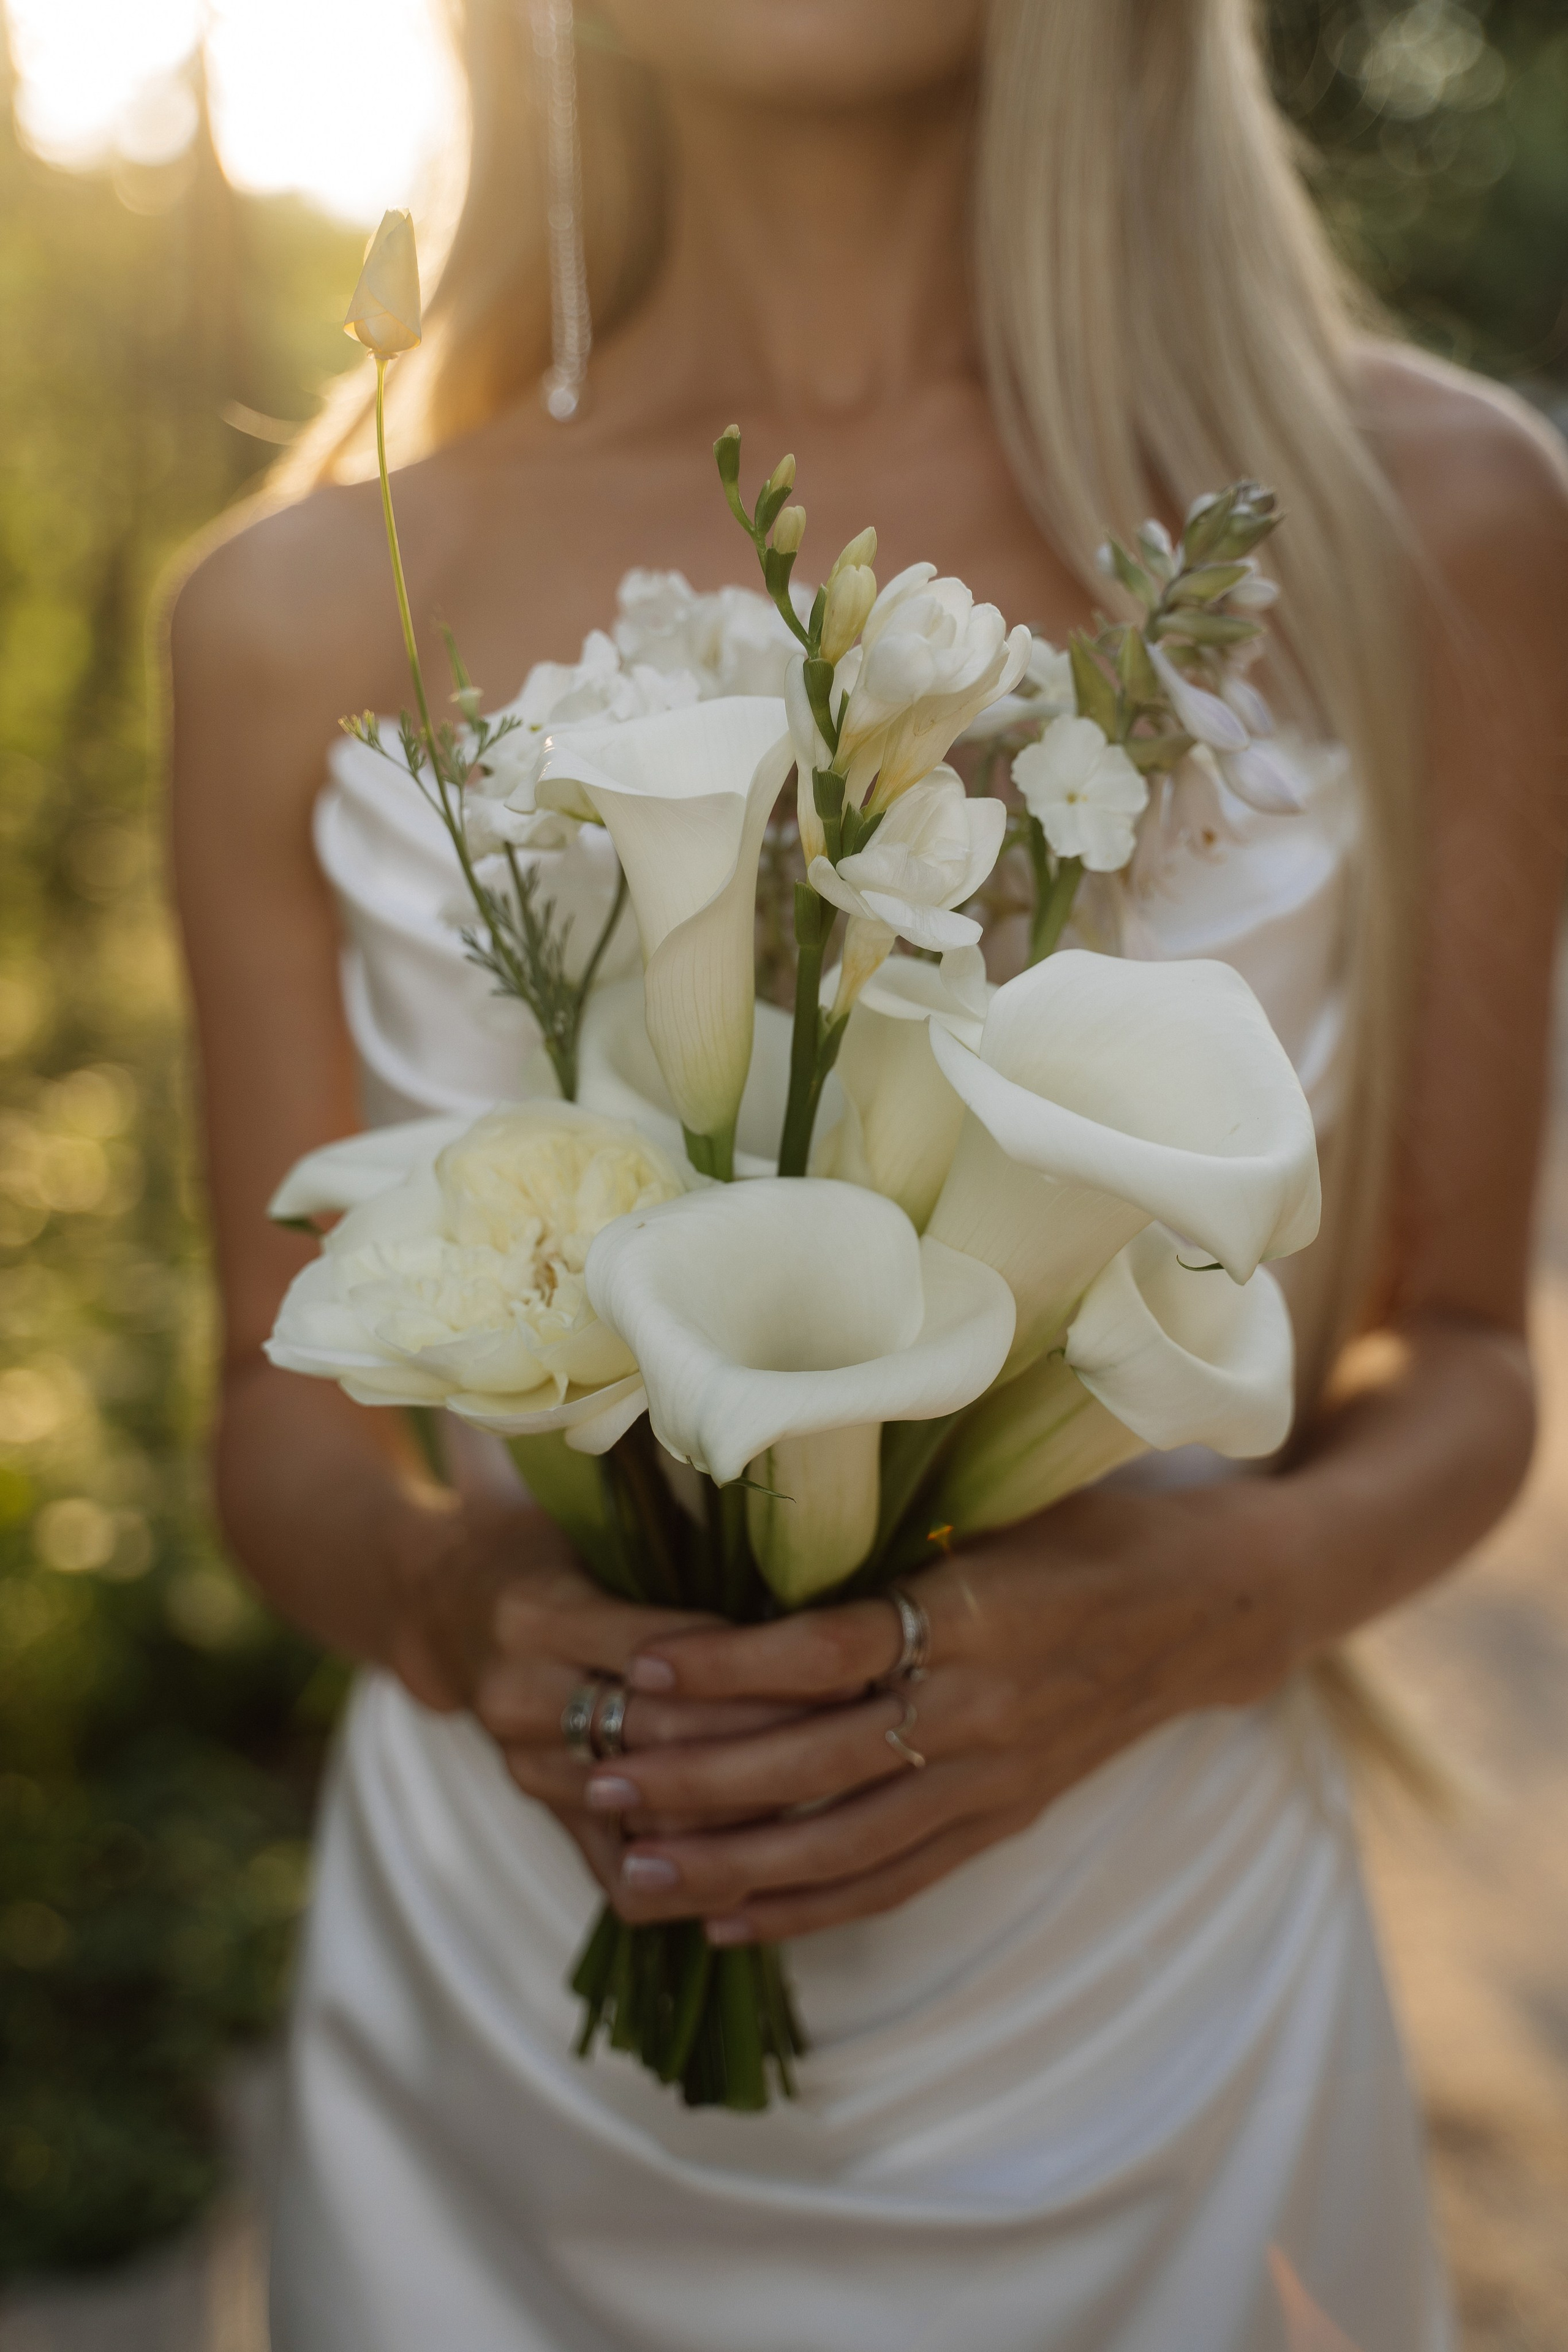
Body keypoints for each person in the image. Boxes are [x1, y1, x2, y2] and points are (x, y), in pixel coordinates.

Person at [167, 2, 1568, 2346]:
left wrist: (1194, 1614)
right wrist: (456, 1617)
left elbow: (1471, 1357)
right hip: (506, 2040)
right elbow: (268, 1410)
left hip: (1139, 2004)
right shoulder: (300, 612)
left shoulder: (1421, 526)